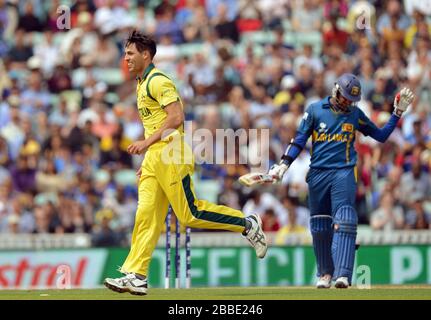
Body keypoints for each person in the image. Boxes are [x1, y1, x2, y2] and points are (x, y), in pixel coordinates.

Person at [103, 31, 267, 295]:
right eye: (125, 53)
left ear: (146, 54)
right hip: (155, 159)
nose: (126, 58)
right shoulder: (141, 82)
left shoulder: (158, 81)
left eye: (130, 53)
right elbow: (155, 123)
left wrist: (146, 145)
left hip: (171, 153)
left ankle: (247, 224)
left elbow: (176, 117)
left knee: (190, 214)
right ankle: (136, 275)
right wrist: (148, 158)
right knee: (145, 216)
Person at [268, 73, 414, 289]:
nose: (346, 102)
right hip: (317, 173)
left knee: (345, 218)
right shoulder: (315, 110)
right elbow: (299, 139)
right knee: (319, 225)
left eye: (350, 100)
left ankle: (343, 274)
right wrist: (283, 164)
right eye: (344, 97)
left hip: (343, 171)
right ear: (335, 89)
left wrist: (397, 113)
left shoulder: (355, 114)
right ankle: (325, 274)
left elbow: (381, 136)